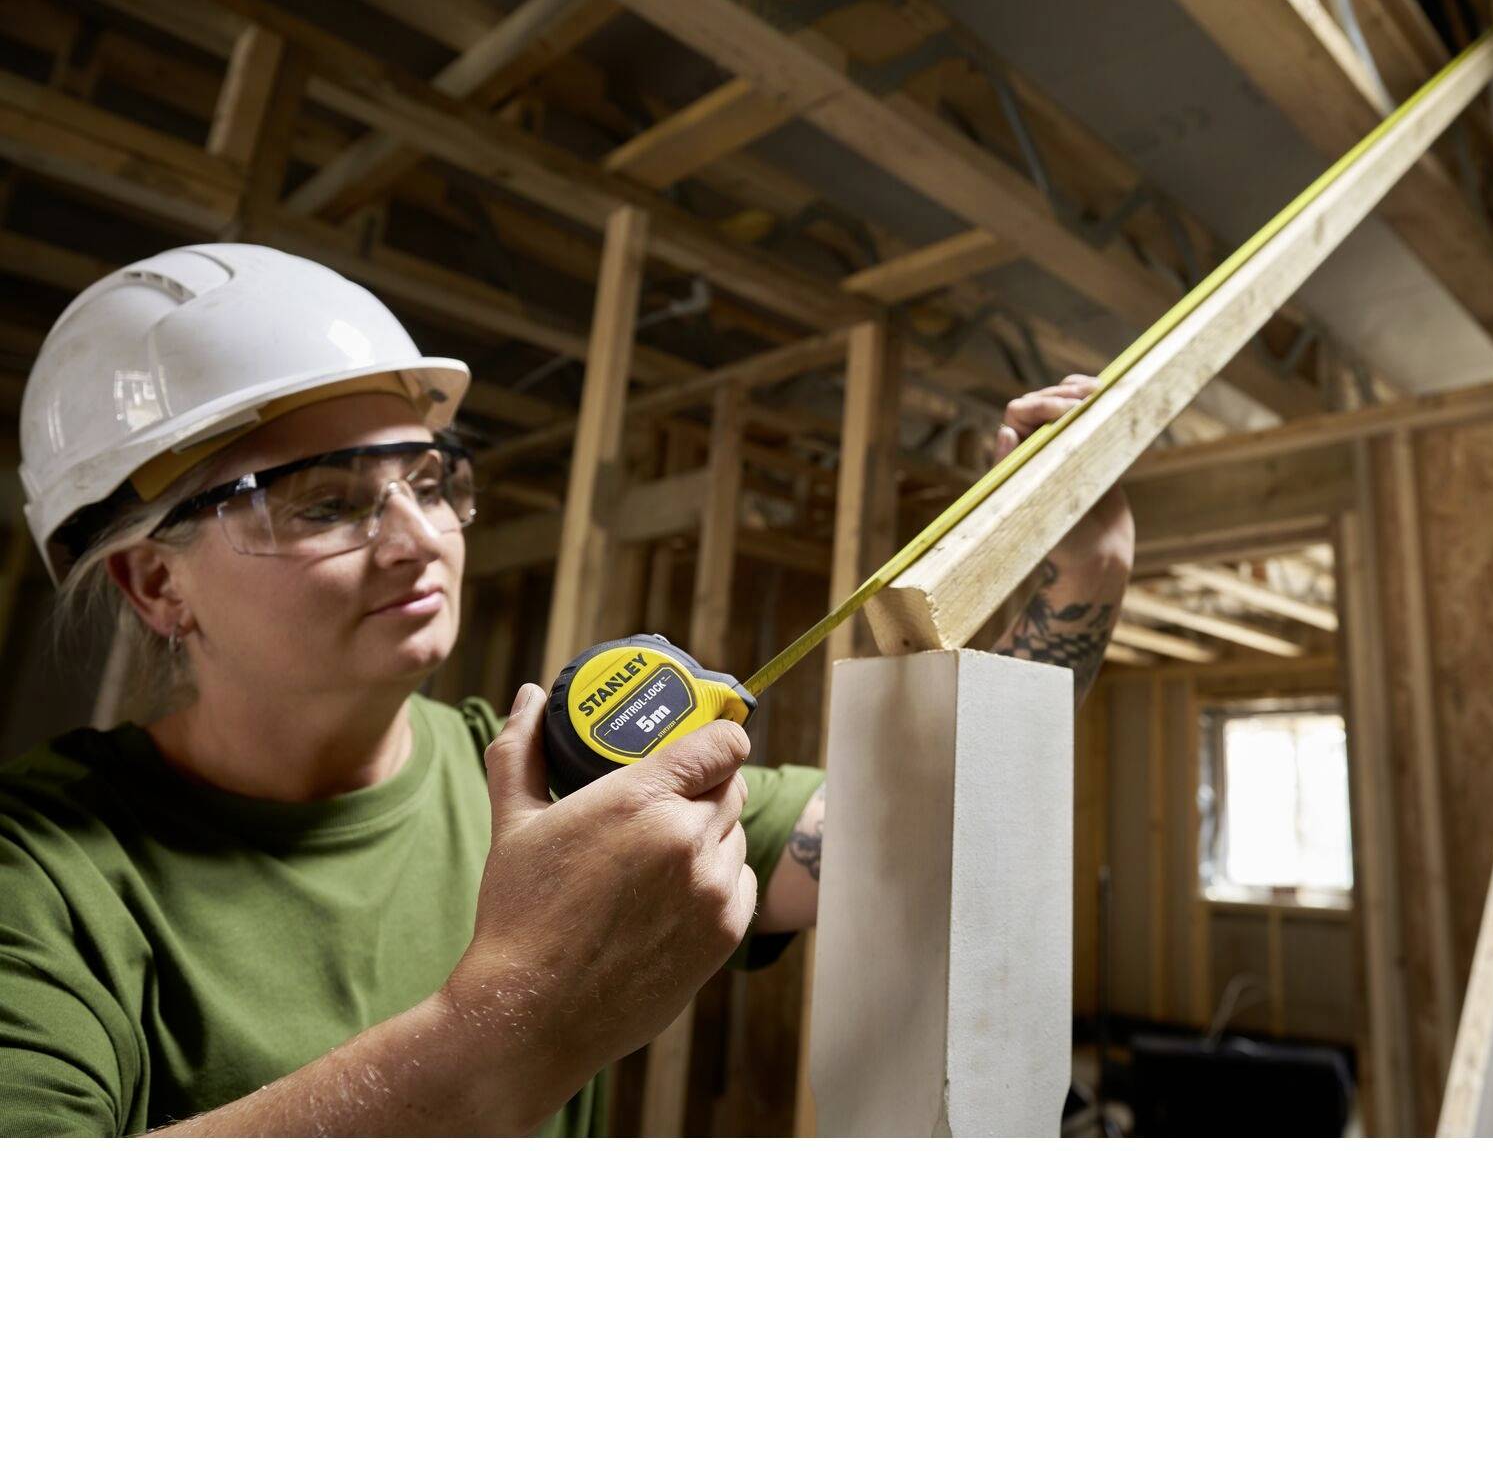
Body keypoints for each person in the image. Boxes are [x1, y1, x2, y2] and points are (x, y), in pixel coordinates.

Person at [0, 244, 1132, 1136]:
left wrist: (1080, 574)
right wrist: (507, 1025)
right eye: (325, 500)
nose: (417, 539)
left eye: (429, 479)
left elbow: (918, 834)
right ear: (155, 581)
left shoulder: (546, 781)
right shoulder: (41, 873)